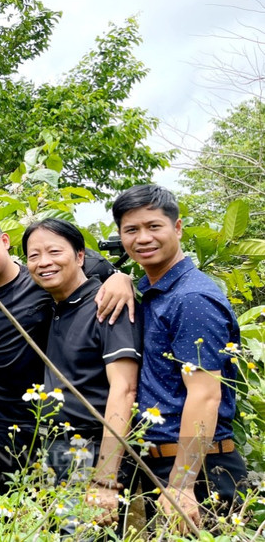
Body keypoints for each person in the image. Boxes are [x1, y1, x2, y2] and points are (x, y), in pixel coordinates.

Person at [0, 211, 134, 495]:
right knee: (4, 502)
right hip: (0, 423)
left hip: (50, 423)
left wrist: (122, 278)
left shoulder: (43, 279)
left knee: (56, 507)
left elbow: (91, 275)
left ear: (5, 241)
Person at [113, 184, 247, 529]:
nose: (143, 238)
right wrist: (120, 277)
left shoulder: (191, 299)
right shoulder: (154, 291)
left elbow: (205, 394)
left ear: (177, 228)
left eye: (153, 226)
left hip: (199, 473)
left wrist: (182, 485)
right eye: (131, 229)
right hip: (166, 466)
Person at [23, 218, 140, 528]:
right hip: (56, 447)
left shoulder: (107, 304)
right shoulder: (55, 304)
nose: (43, 262)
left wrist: (105, 478)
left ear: (79, 256)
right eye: (34, 255)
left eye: (54, 252)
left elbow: (125, 389)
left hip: (92, 450)